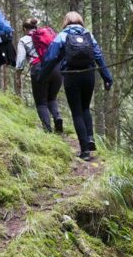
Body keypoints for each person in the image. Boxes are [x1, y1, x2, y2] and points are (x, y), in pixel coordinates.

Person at [39, 12, 112, 161]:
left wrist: (42, 76)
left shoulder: (62, 35)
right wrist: (107, 77)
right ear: (80, 21)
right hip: (89, 75)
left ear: (66, 21)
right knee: (85, 108)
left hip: (72, 76)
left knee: (77, 112)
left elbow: (52, 57)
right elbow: (98, 56)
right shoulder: (88, 35)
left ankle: (85, 150)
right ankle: (90, 137)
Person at [16, 18, 63, 133]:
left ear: (24, 29)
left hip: (39, 68)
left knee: (41, 102)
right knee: (52, 98)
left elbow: (20, 60)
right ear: (36, 27)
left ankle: (48, 130)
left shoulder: (23, 40)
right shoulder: (46, 35)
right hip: (56, 68)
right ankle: (57, 117)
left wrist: (18, 74)